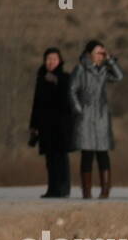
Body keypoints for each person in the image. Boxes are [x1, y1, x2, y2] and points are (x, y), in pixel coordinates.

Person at [69, 39, 122, 198]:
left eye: (103, 53)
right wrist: (79, 109)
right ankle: (86, 191)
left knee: (103, 152)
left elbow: (119, 77)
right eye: (99, 52)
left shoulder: (105, 69)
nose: (101, 56)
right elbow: (71, 90)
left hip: (101, 114)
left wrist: (110, 61)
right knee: (87, 153)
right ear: (89, 54)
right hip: (86, 114)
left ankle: (105, 190)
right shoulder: (80, 69)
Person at [29, 47, 73, 198]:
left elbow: (67, 100)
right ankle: (52, 188)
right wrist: (33, 126)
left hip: (61, 124)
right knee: (50, 159)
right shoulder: (41, 78)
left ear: (60, 61)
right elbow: (36, 103)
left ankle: (63, 188)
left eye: (54, 59)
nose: (51, 62)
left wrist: (57, 82)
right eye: (48, 59)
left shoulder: (65, 77)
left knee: (61, 158)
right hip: (45, 124)